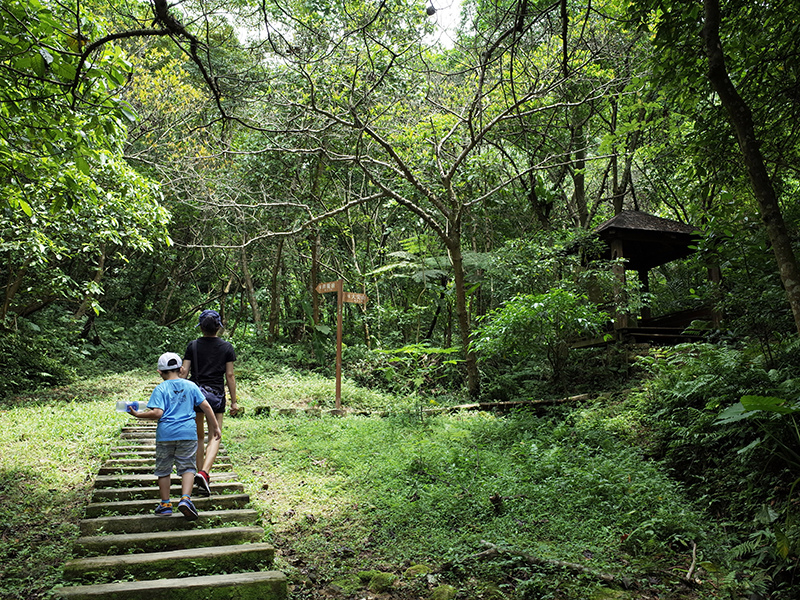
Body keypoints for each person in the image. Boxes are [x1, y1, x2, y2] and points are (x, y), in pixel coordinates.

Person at [128, 352, 220, 519]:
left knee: (164, 469)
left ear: (160, 372)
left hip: (166, 435)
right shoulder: (191, 386)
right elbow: (206, 406)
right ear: (181, 368)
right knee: (188, 468)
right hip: (188, 433)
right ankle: (185, 499)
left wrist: (138, 415)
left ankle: (165, 504)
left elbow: (157, 413)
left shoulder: (160, 388)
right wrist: (215, 427)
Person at [181, 309, 238, 497]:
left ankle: (200, 477)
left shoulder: (193, 346)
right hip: (216, 397)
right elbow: (229, 375)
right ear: (218, 327)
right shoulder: (227, 347)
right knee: (215, 435)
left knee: (198, 437)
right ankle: (204, 473)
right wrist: (234, 402)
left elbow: (183, 373)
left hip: (196, 396)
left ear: (201, 328)